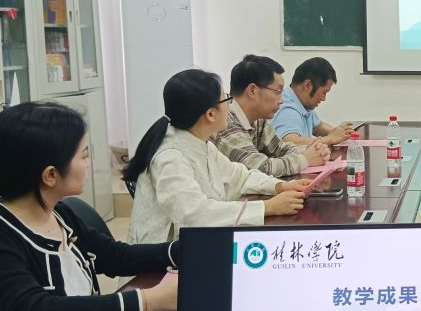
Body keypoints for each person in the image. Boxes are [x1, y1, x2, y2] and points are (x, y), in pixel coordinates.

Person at [0, 102, 179, 311]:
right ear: (51, 175)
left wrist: (185, 250)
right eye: (83, 156)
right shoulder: (0, 234)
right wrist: (148, 300)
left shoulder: (60, 214)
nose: (89, 163)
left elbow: (114, 256)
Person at [125, 69, 310, 245]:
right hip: (163, 258)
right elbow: (194, 215)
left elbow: (239, 176)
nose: (230, 106)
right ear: (211, 114)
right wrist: (267, 207)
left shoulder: (200, 143)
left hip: (196, 245)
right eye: (227, 100)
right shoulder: (171, 157)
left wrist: (279, 186)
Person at [212, 54, 329, 176]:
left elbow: (281, 149)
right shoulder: (225, 122)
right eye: (278, 92)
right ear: (252, 91)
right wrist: (304, 159)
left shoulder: (258, 120)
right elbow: (259, 168)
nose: (282, 100)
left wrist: (312, 152)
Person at [272, 57, 354, 147]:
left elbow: (317, 126)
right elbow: (290, 142)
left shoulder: (301, 103)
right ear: (307, 85)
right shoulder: (287, 109)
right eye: (324, 92)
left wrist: (337, 132)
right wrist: (330, 138)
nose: (324, 98)